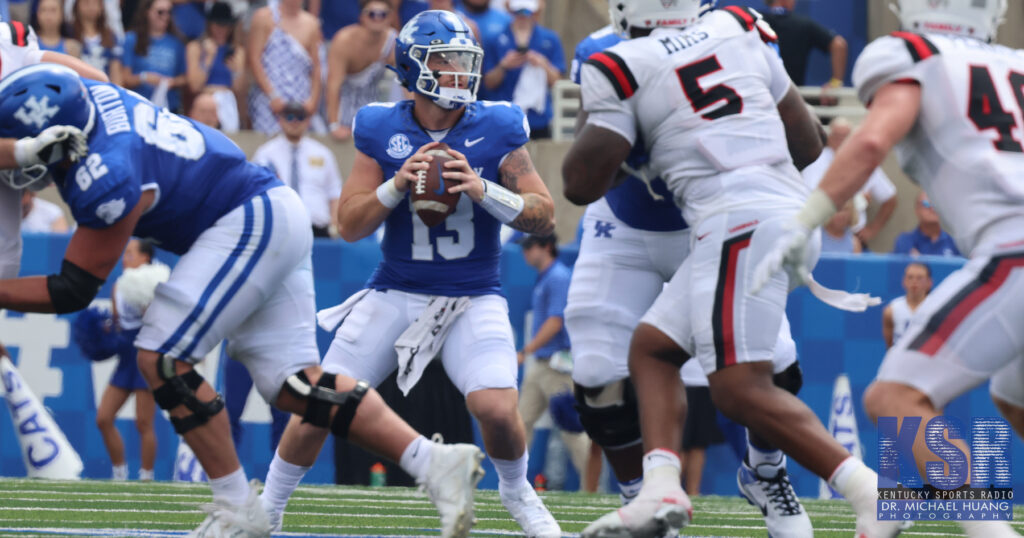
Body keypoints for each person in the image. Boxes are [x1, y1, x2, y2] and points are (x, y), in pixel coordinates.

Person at [0, 62, 485, 538]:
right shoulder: (91, 94)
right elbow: (56, 64)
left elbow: (72, 288)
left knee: (163, 357)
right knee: (296, 385)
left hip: (245, 219)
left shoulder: (106, 174)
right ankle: (434, 462)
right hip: (269, 210)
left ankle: (236, 506)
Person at [564, 1, 898, 536]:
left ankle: (868, 490)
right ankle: (659, 490)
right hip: (789, 214)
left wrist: (638, 128)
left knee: (740, 388)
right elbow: (809, 142)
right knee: (651, 350)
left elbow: (578, 185)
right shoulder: (737, 25)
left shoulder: (620, 62)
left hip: (732, 224)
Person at [258, 11, 562, 537]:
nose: (459, 71)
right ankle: (266, 509)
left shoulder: (496, 124)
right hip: (396, 289)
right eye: (445, 59)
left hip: (472, 293)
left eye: (464, 60)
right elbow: (348, 223)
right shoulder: (381, 126)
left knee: (495, 408)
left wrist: (485, 189)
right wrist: (396, 185)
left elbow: (544, 211)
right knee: (319, 403)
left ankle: (516, 490)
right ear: (413, 68)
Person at [756, 0, 1024, 536]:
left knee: (892, 398)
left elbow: (874, 139)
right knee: (1012, 394)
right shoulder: (1014, 62)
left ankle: (988, 528)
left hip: (1012, 248)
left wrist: (805, 220)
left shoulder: (914, 53)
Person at [0, 19, 108, 281]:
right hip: (15, 156)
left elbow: (99, 82)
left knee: (6, 253)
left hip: (13, 167)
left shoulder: (11, 44)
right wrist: (29, 150)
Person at [516, 233, 591, 485]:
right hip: (542, 363)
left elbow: (556, 321)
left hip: (557, 365)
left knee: (572, 428)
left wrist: (526, 351)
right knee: (521, 421)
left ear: (546, 246)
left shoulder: (557, 276)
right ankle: (513, 481)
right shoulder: (547, 277)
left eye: (529, 246)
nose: (525, 252)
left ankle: (593, 486)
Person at [94, 238, 162, 481]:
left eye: (131, 254)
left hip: (145, 354)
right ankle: (119, 472)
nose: (125, 258)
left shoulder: (157, 283)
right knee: (103, 417)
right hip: (126, 356)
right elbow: (118, 324)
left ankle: (146, 476)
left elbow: (162, 321)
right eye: (125, 254)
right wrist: (104, 331)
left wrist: (149, 309)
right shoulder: (117, 287)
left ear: (145, 258)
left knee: (143, 422)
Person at [802, 117, 898, 250]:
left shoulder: (866, 161)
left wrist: (872, 230)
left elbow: (890, 198)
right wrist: (857, 198)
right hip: (821, 235)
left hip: (855, 235)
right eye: (837, 137)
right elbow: (809, 198)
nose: (841, 141)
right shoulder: (816, 161)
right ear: (829, 139)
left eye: (845, 137)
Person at [252, 102, 343, 238]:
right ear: (280, 120)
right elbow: (255, 191)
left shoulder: (322, 153)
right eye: (289, 117)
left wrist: (335, 225)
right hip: (279, 228)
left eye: (300, 117)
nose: (294, 121)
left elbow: (334, 191)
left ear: (308, 121)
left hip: (317, 229)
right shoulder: (266, 153)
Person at [481, 0, 564, 138]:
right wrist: (504, 66)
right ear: (509, 10)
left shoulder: (550, 39)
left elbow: (555, 80)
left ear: (536, 11)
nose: (523, 17)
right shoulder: (494, 40)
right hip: (503, 118)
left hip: (538, 120)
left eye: (527, 11)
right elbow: (488, 83)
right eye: (518, 12)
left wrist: (543, 64)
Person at [324, 0, 398, 142]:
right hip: (344, 112)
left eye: (383, 14)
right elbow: (333, 85)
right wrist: (334, 125)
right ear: (362, 17)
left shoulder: (394, 42)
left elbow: (406, 82)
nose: (377, 18)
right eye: (372, 14)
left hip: (374, 113)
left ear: (390, 17)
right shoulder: (344, 40)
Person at [247, 0, 322, 135]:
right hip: (269, 99)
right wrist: (273, 96)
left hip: (301, 99)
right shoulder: (264, 17)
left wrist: (313, 101)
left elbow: (316, 67)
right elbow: (254, 59)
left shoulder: (311, 23)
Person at [185, 2, 246, 133]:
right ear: (210, 24)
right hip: (204, 103)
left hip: (228, 106)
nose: (221, 29)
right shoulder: (195, 47)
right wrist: (207, 60)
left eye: (225, 25)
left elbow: (239, 90)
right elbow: (194, 85)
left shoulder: (236, 51)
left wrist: (236, 72)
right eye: (217, 24)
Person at [120, 0, 187, 113]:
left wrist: (172, 82)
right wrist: (144, 77)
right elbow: (124, 78)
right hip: (137, 106)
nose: (165, 16)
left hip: (168, 109)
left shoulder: (177, 43)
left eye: (169, 12)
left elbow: (185, 78)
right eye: (160, 12)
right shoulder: (132, 39)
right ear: (147, 12)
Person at [762, 0, 848, 88]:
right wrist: (835, 83)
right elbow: (839, 44)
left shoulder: (756, 22)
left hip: (760, 94)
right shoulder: (804, 24)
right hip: (792, 97)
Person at [892, 191, 960, 257]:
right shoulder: (905, 241)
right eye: (926, 204)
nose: (932, 208)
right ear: (917, 210)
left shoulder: (955, 242)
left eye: (936, 204)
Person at [71, 0, 123, 84]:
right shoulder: (69, 32)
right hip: (77, 87)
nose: (91, 7)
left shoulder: (111, 36)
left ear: (101, 7)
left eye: (95, 3)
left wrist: (117, 92)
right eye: (86, 3)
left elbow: (116, 71)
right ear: (77, 5)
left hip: (103, 89)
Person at [882, 262, 932, 349]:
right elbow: (890, 346)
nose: (914, 281)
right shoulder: (891, 310)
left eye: (919, 278)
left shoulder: (936, 308)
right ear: (904, 281)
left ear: (929, 282)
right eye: (910, 277)